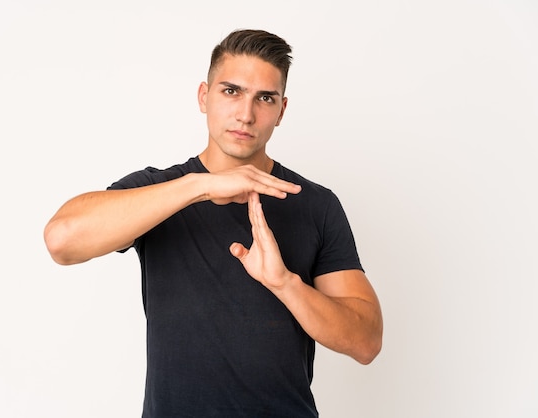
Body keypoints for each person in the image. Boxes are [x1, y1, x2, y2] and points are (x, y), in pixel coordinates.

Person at [44, 29, 383, 418]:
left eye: (265, 98)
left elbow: (366, 341)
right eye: (231, 91)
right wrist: (199, 187)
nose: (246, 114)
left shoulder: (314, 204)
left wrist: (285, 284)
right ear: (204, 96)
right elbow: (61, 240)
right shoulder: (160, 190)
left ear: (282, 110)